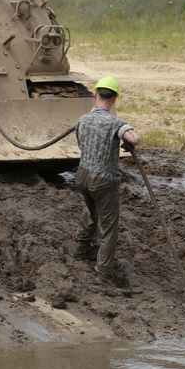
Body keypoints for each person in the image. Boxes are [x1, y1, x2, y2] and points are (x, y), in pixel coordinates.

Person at [72, 75, 141, 283]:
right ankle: (103, 272)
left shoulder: (82, 120)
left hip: (82, 175)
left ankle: (80, 248)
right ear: (114, 99)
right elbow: (134, 138)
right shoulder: (115, 123)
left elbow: (80, 142)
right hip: (103, 179)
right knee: (109, 227)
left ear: (95, 95)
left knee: (89, 210)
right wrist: (130, 142)